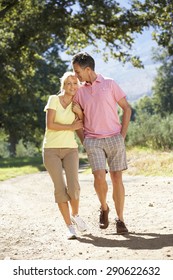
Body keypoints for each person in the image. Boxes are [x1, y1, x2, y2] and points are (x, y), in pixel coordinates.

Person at [72, 52, 132, 234]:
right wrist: (85, 141)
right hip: (93, 141)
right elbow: (77, 120)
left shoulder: (110, 84)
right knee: (99, 177)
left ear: (87, 69)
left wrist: (122, 135)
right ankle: (104, 207)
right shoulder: (79, 91)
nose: (76, 76)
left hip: (114, 138)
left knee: (116, 178)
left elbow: (127, 108)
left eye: (77, 71)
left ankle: (120, 219)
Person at [42, 71, 87, 240]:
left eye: (75, 83)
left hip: (70, 149)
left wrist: (80, 114)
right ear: (63, 85)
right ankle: (69, 227)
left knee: (74, 186)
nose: (72, 86)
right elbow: (51, 124)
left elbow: (81, 125)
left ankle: (75, 215)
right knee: (60, 188)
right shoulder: (53, 99)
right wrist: (71, 126)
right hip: (51, 149)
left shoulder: (77, 104)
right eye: (68, 83)